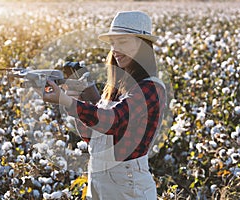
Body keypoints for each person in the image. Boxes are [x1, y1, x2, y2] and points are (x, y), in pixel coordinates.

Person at [43, 11, 167, 200]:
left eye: (123, 42)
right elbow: (92, 137)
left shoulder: (151, 88)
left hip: (128, 183)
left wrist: (67, 102)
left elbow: (113, 121)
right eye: (112, 43)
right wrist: (77, 99)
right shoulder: (117, 88)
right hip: (98, 178)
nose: (115, 49)